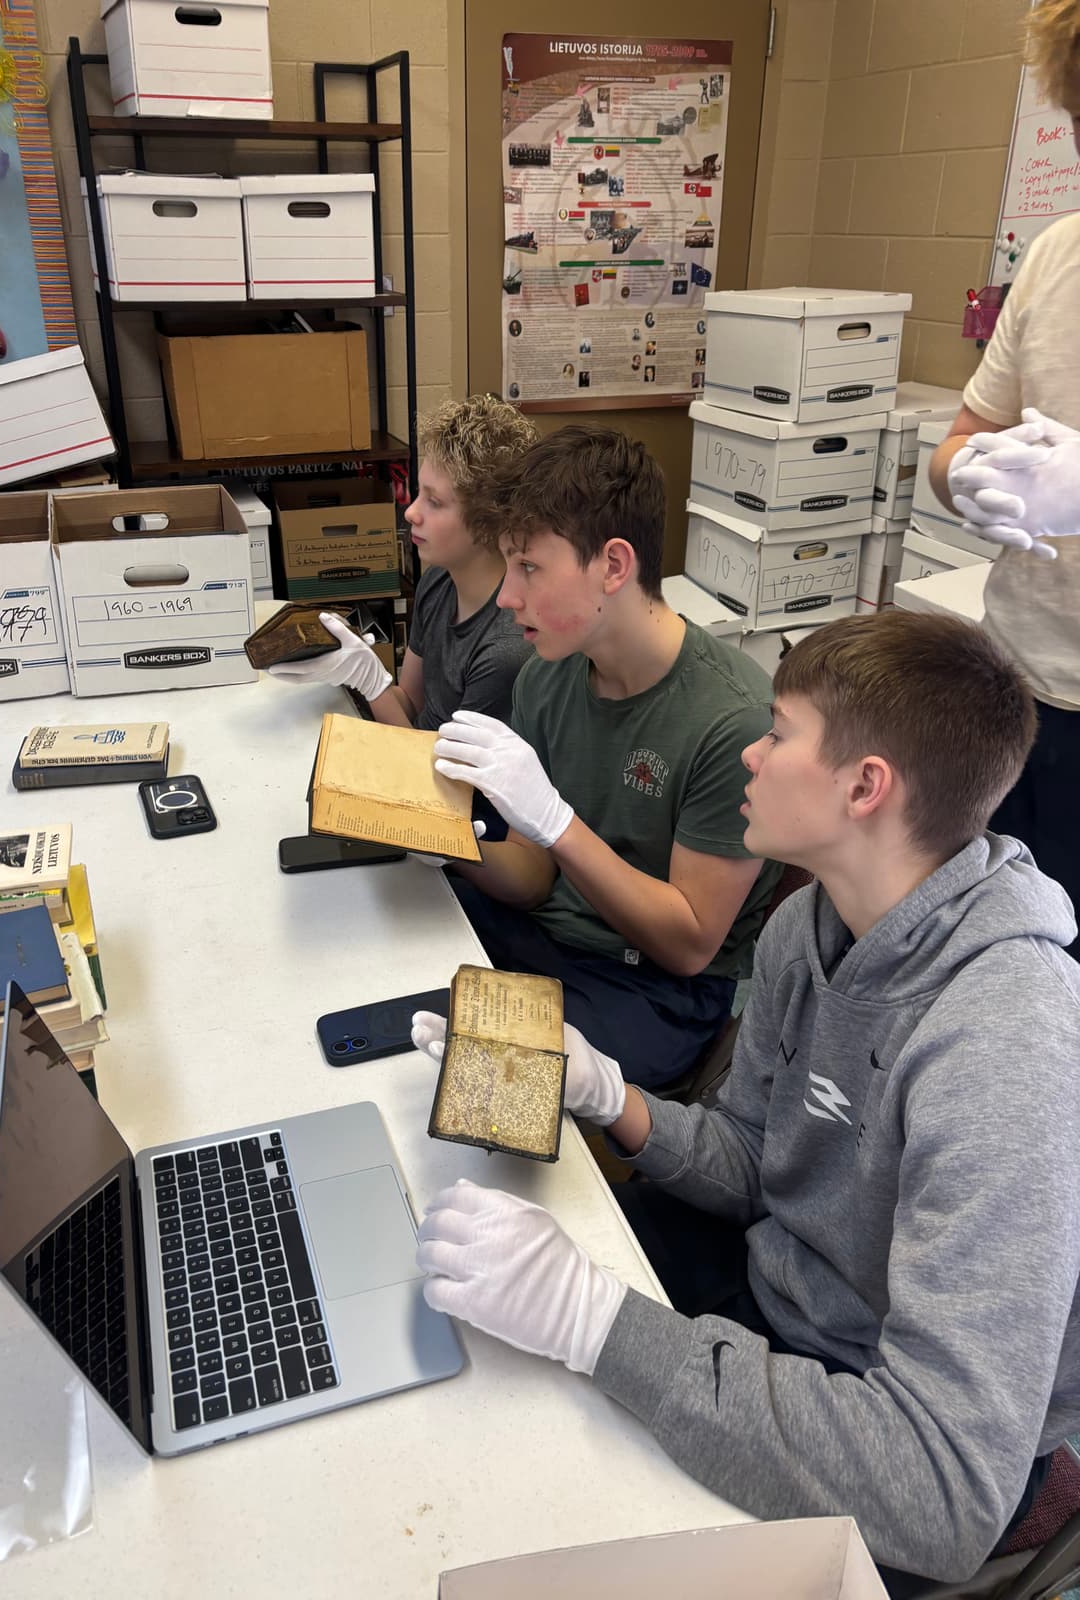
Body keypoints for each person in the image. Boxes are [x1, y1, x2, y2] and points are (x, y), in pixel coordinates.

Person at [413, 610, 1080, 1589]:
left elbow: (939, 1487)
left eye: (778, 732)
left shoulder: (1006, 1040)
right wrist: (606, 1093)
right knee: (474, 1376)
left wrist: (596, 1320)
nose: (751, 757)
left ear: (865, 787)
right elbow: (758, 1164)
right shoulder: (808, 922)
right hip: (784, 1296)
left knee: (553, 1544)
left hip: (896, 1426)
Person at [432, 426, 779, 1088]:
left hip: (648, 989)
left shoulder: (733, 721)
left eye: (529, 567)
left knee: (490, 1086)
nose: (507, 596)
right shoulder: (547, 673)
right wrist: (453, 845)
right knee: (397, 960)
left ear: (614, 566)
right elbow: (535, 879)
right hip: (545, 938)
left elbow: (688, 943)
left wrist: (557, 822)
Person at [929, 0, 1080, 956]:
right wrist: (969, 478)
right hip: (1022, 684)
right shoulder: (1059, 254)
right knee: (997, 947)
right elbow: (958, 443)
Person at [267, 394, 538, 730]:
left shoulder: (506, 650)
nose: (410, 512)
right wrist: (354, 674)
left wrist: (373, 684)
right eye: (419, 493)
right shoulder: (439, 579)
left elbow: (441, 781)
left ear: (489, 521)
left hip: (445, 778)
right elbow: (410, 704)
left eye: (434, 501)